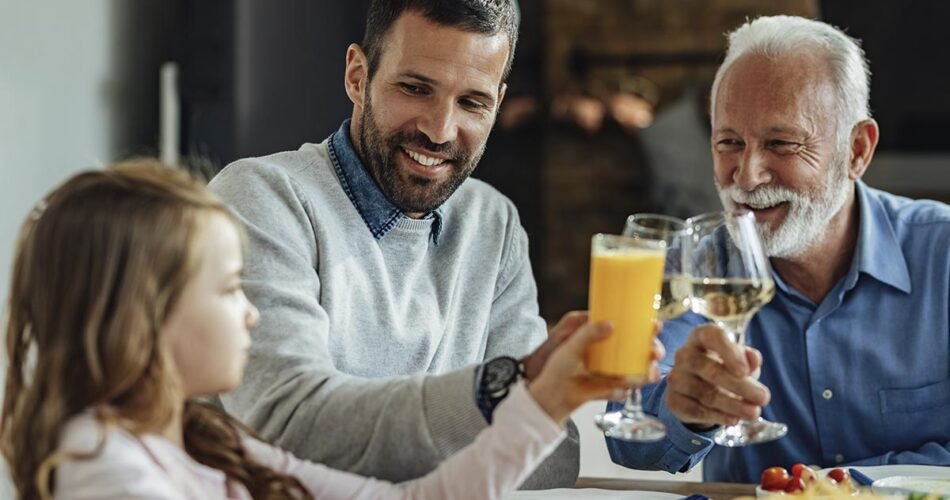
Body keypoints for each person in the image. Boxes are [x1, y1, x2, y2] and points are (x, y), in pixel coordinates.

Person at [0, 161, 645, 499]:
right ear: (143, 312)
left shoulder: (209, 442)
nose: (251, 310)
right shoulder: (102, 468)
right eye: (228, 290)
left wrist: (550, 400)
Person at [207, 0, 580, 488]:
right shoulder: (261, 200)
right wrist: (490, 403)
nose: (439, 129)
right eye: (415, 88)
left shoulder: (494, 223)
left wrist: (509, 420)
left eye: (472, 102)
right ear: (358, 76)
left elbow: (552, 457)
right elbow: (285, 426)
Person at [607, 15, 950, 483]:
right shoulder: (694, 264)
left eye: (781, 143)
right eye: (729, 142)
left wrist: (837, 487)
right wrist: (686, 408)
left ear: (857, 151)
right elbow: (627, 442)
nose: (746, 177)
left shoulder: (942, 253)